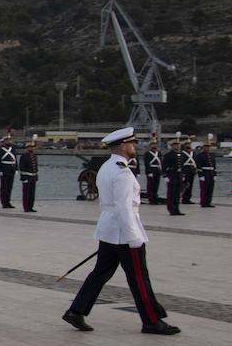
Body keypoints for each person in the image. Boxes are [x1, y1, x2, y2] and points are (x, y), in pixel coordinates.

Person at [63, 128, 180, 335]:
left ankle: (76, 310)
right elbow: (124, 208)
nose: (134, 147)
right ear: (123, 146)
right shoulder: (122, 172)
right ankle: (151, 321)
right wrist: (133, 237)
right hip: (123, 232)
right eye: (132, 144)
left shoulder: (107, 167)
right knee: (138, 278)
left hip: (108, 229)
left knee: (100, 273)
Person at [163, 139, 184, 216]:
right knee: (171, 193)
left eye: (178, 145)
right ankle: (171, 209)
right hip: (171, 174)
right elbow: (164, 166)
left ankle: (177, 209)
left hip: (179, 175)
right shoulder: (168, 155)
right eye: (175, 145)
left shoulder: (181, 154)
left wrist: (183, 175)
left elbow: (182, 165)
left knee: (177, 193)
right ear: (172, 146)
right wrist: (165, 175)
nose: (177, 146)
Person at [0, 136, 17, 208]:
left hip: (11, 169)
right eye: (7, 140)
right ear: (3, 141)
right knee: (4, 187)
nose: (8, 142)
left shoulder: (12, 148)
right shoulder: (0, 149)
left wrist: (16, 169)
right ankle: (4, 202)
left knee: (10, 187)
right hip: (4, 169)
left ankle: (8, 201)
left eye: (9, 140)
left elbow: (15, 159)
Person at [194, 141, 216, 208]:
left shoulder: (211, 155)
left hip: (211, 172)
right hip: (204, 172)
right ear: (203, 148)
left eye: (208, 147)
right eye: (206, 147)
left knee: (210, 188)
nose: (207, 148)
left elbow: (214, 166)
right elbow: (198, 166)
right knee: (204, 188)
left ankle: (208, 202)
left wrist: (215, 174)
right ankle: (203, 202)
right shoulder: (200, 155)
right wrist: (200, 175)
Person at [18, 142, 38, 213]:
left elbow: (36, 167)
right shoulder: (24, 156)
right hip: (27, 177)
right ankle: (26, 208)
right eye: (29, 147)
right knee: (26, 194)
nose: (31, 148)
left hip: (33, 177)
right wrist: (24, 178)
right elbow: (22, 168)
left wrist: (36, 176)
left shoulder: (34, 156)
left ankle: (31, 207)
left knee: (32, 194)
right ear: (26, 148)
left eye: (32, 147)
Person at [143, 136, 163, 204]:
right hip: (151, 170)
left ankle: (155, 198)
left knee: (156, 185)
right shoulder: (148, 153)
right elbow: (147, 163)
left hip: (157, 170)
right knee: (150, 185)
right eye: (153, 144)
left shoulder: (159, 153)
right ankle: (151, 199)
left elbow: (160, 162)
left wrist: (161, 171)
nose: (154, 145)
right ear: (150, 145)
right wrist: (149, 172)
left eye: (155, 144)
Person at [179, 139, 197, 204]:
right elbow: (181, 163)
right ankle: (183, 198)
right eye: (187, 144)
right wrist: (182, 172)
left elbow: (195, 161)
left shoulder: (193, 153)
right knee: (184, 185)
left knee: (190, 185)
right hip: (185, 170)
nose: (188, 145)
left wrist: (195, 169)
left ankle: (188, 198)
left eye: (189, 144)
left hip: (191, 170)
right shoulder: (182, 153)